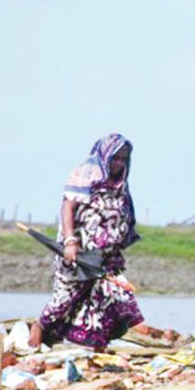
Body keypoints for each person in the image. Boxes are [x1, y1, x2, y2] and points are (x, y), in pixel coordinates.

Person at [29, 134, 143, 350]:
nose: (118, 163)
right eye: (114, 158)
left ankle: (100, 345)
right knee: (67, 296)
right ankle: (40, 327)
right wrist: (71, 241)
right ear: (105, 155)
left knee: (113, 297)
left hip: (108, 255)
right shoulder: (86, 174)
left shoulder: (120, 184)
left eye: (123, 159)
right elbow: (68, 206)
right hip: (82, 252)